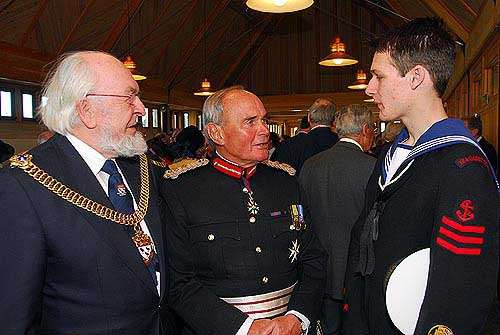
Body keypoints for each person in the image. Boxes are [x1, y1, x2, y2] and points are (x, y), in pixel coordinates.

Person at [0, 51, 177, 334]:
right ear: (86, 110)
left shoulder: (141, 167)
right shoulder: (22, 185)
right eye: (129, 97)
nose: (142, 108)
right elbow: (14, 317)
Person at [344, 18, 499, 335]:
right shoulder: (390, 155)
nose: (369, 88)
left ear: (416, 77)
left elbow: (462, 284)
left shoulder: (463, 165)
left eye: (378, 76)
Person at [162, 86, 326, 335]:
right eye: (250, 122)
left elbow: (313, 257)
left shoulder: (286, 181)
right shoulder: (182, 190)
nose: (264, 130)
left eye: (264, 120)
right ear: (216, 133)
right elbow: (179, 282)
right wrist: (243, 328)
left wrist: (297, 316)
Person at [299, 104, 376, 335]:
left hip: (318, 268)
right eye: (373, 128)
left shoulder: (310, 166)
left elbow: (301, 217)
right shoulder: (372, 167)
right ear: (365, 129)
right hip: (358, 272)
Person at [272, 99, 338, 173]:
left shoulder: (288, 145)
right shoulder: (341, 144)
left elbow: (278, 177)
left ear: (309, 118)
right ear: (334, 120)